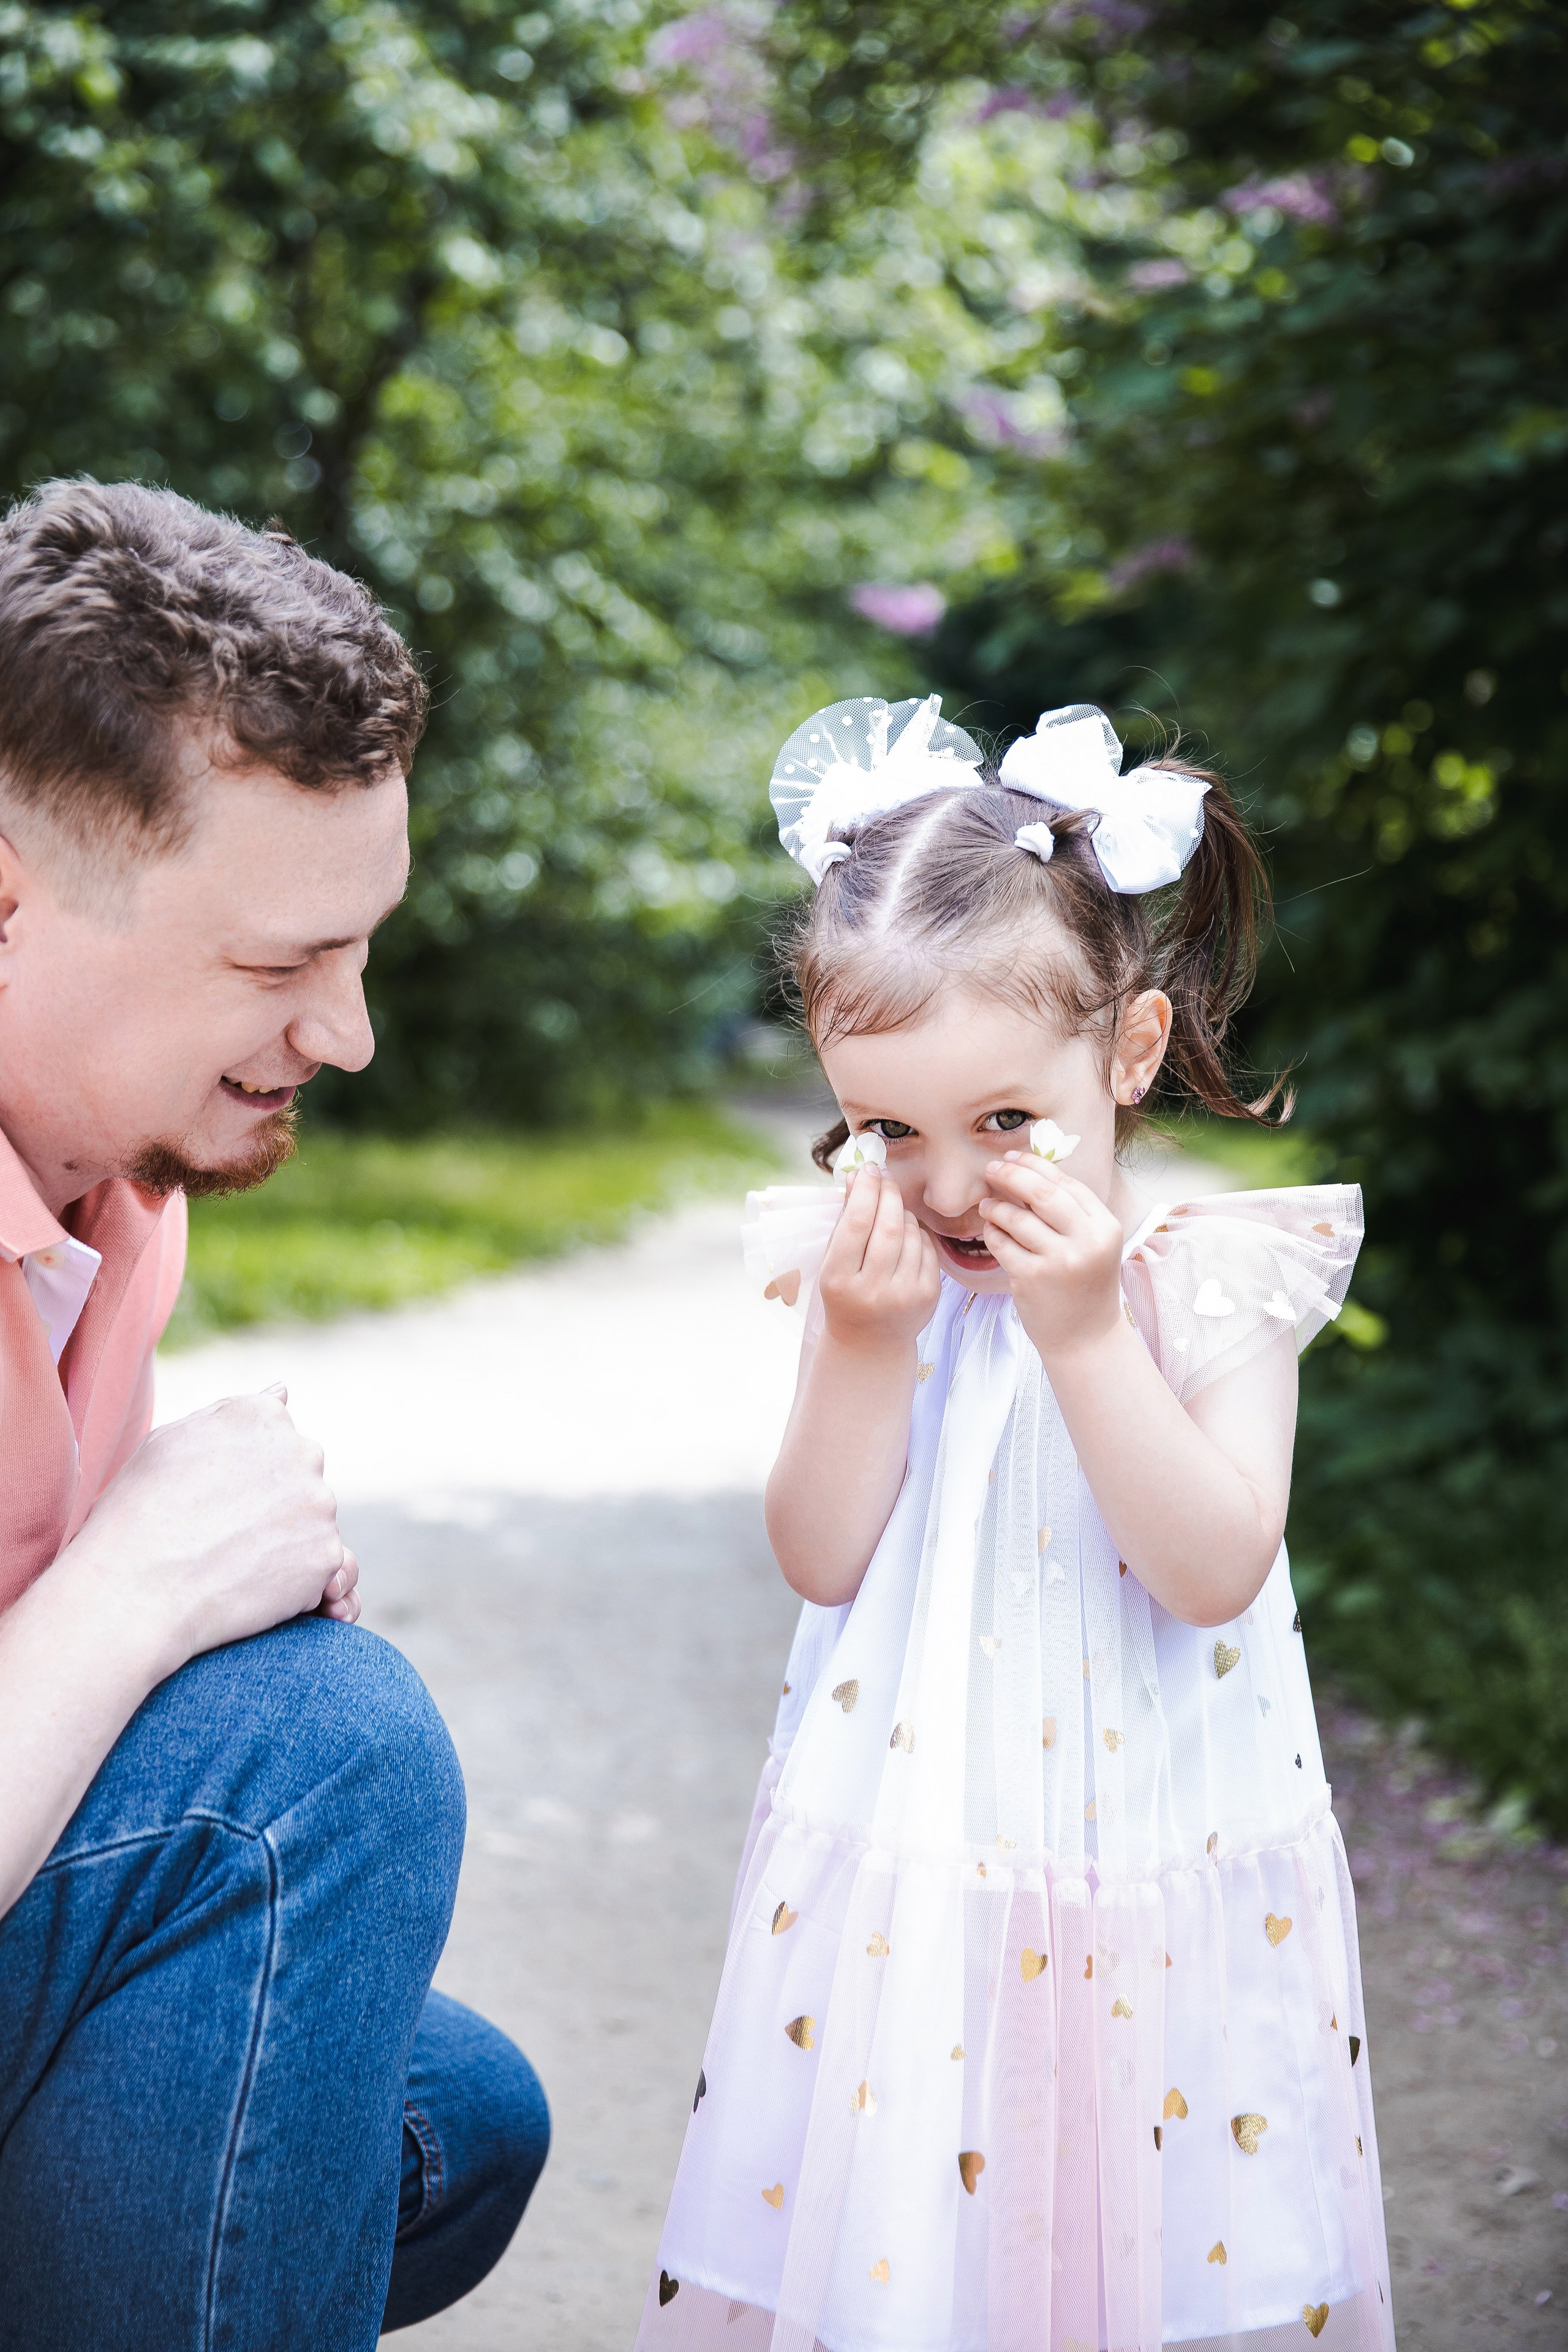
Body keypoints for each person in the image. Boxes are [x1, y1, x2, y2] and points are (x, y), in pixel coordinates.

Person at [638, 698, 1393, 2350]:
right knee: (911, 2238)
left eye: (1005, 1122)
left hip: (1154, 1884)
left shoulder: (1206, 1292)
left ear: (1125, 1055)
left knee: (1140, 2242)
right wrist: (856, 1347)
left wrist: (1083, 1336)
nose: (950, 1187)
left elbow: (1210, 1569)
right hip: (914, 1890)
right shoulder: (884, 1294)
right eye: (888, 1131)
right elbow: (821, 1555)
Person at [0, 479, 548, 2347]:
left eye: (362, 942)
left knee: (448, 2118)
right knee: (307, 1766)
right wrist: (130, 1594)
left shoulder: (106, 1194)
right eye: (279, 963)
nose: (350, 1034)